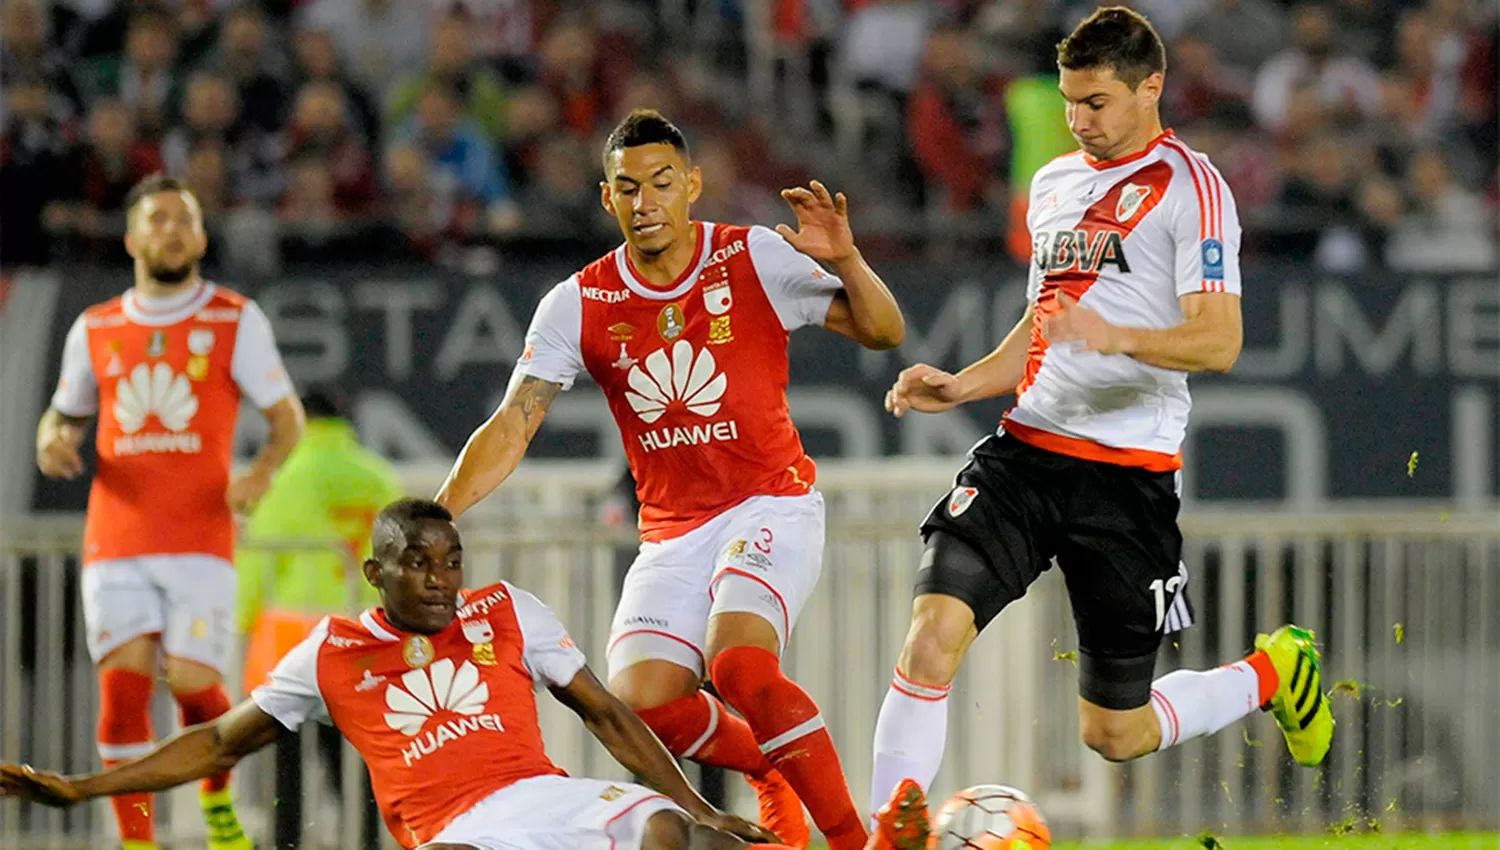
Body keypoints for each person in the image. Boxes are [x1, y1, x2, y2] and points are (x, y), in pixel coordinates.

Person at [865, 7, 1335, 844]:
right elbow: (1045, 323)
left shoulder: (1194, 189)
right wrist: (964, 383)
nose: (1080, 120)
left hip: (1127, 479)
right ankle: (882, 834)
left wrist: (1122, 336)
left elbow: (1220, 339)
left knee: (1113, 734)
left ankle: (1275, 670)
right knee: (931, 635)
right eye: (1071, 100)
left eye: (1098, 102)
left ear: (1151, 87)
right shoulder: (1053, 185)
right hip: (1025, 455)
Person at [436, 109, 906, 850]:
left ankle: (856, 841)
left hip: (770, 503)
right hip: (673, 533)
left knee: (740, 664)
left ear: (692, 185)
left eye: (661, 183)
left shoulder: (752, 256)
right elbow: (515, 421)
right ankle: (772, 767)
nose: (645, 201)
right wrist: (442, 513)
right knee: (640, 704)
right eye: (628, 188)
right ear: (607, 199)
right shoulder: (578, 302)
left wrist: (847, 260)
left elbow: (884, 330)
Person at [0, 498, 802, 850]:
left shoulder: (506, 611)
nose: (441, 580)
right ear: (376, 572)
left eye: (451, 562)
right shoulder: (331, 651)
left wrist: (698, 804)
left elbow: (609, 716)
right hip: (453, 831)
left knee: (680, 838)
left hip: (545, 795)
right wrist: (80, 789)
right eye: (418, 564)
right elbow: (215, 744)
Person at [35, 174, 304, 850]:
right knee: (123, 694)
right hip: (116, 537)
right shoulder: (95, 327)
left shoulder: (233, 318)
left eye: (184, 219)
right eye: (157, 220)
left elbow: (286, 419)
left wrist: (260, 475)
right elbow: (61, 417)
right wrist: (50, 441)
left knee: (193, 683)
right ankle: (137, 842)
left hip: (199, 536)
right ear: (131, 238)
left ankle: (217, 801)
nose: (172, 231)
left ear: (202, 237)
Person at [237, 385, 403, 850]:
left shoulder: (292, 476)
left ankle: (286, 841)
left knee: (287, 759)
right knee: (353, 758)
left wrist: (240, 618)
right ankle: (370, 841)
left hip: (293, 636)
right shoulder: (377, 476)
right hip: (362, 635)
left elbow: (259, 559)